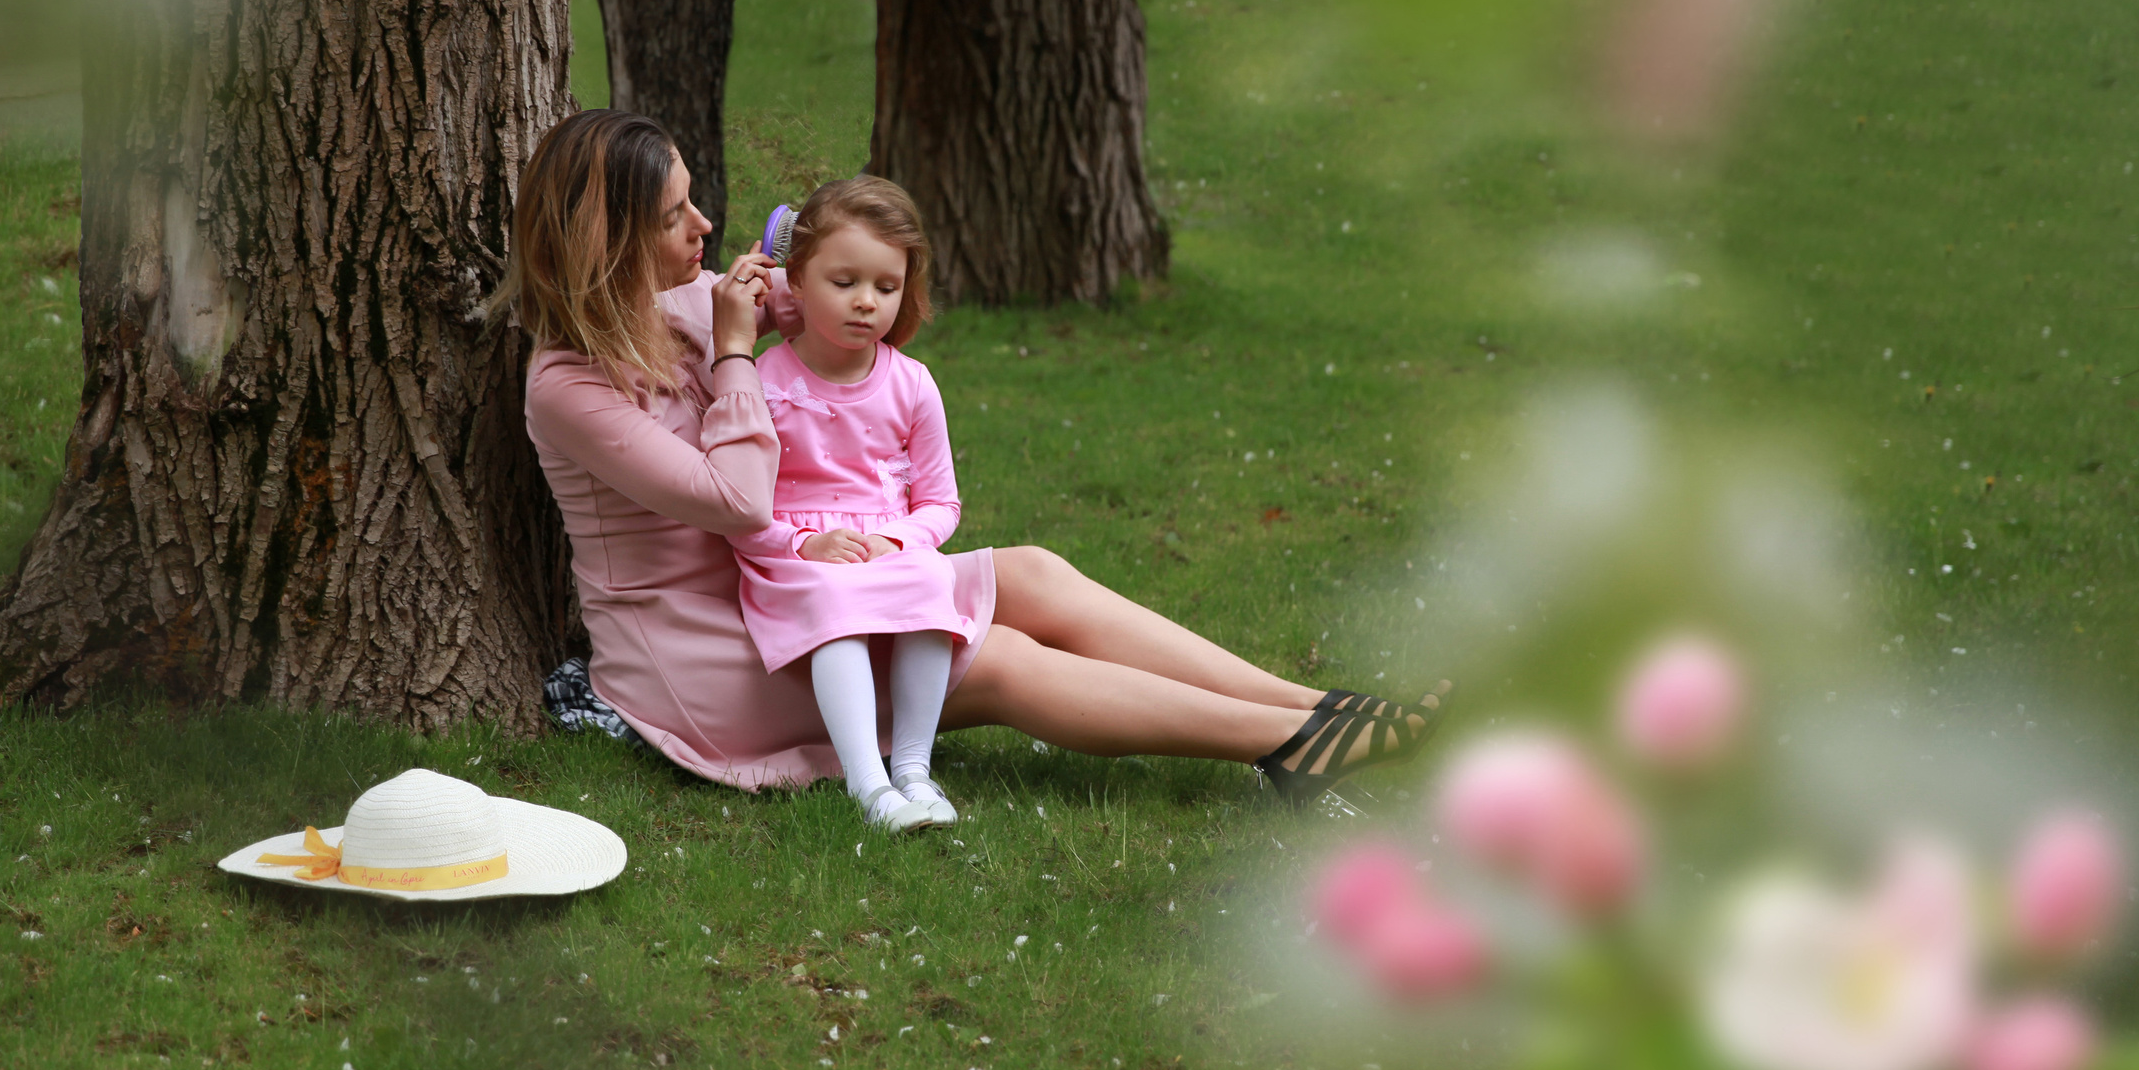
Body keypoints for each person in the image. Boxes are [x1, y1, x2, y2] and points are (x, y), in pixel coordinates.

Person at [502, 110, 1443, 811]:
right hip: (710, 654)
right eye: (676, 216)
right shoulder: (569, 385)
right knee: (989, 657)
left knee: (1028, 572)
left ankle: (1325, 708)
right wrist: (740, 351)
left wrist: (806, 267)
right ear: (615, 240)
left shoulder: (689, 300)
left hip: (801, 581)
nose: (704, 224)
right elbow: (741, 500)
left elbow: (817, 300)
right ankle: (1292, 743)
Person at [727, 177, 972, 834]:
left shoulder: (912, 385)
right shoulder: (766, 381)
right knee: (836, 604)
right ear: (796, 283)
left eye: (885, 287)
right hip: (796, 553)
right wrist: (802, 544)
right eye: (845, 282)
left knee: (930, 578)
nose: (866, 302)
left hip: (887, 545)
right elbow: (740, 503)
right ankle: (869, 785)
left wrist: (900, 540)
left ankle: (914, 768)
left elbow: (940, 502)